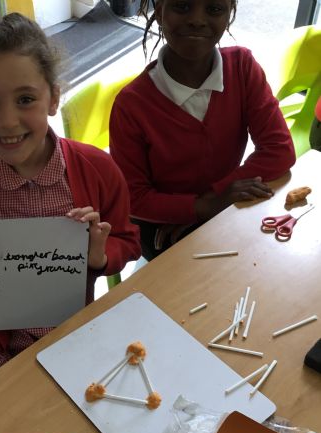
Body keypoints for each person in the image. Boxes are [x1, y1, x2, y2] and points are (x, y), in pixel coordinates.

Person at [0, 13, 141, 419]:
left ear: (53, 98)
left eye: (25, 99)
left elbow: (127, 241)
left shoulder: (97, 169)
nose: (8, 122)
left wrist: (98, 254)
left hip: (64, 322)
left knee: (63, 419)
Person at [109, 0, 296, 261]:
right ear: (160, 12)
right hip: (161, 222)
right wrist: (200, 207)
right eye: (182, 7)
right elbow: (134, 198)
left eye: (214, 9)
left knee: (268, 258)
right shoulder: (131, 105)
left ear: (229, 15)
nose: (197, 20)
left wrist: (214, 199)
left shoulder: (242, 67)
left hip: (225, 200)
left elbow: (280, 151)